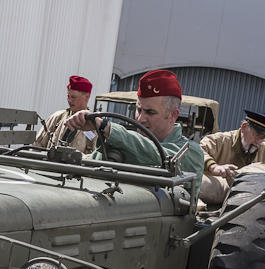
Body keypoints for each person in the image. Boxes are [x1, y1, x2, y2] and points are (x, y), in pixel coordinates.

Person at [64, 69, 204, 196]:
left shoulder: (190, 153)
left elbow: (155, 154)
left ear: (173, 115)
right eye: (138, 109)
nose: (140, 119)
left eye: (150, 112)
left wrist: (106, 127)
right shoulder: (124, 143)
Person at [198, 110, 265, 205]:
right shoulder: (219, 141)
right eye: (257, 135)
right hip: (211, 201)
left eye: (263, 138)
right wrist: (214, 166)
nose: (259, 142)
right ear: (244, 127)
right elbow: (198, 152)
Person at [33, 75, 97, 154]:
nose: (69, 100)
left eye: (73, 97)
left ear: (87, 97)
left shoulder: (94, 125)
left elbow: (96, 157)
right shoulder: (57, 118)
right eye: (68, 96)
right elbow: (37, 146)